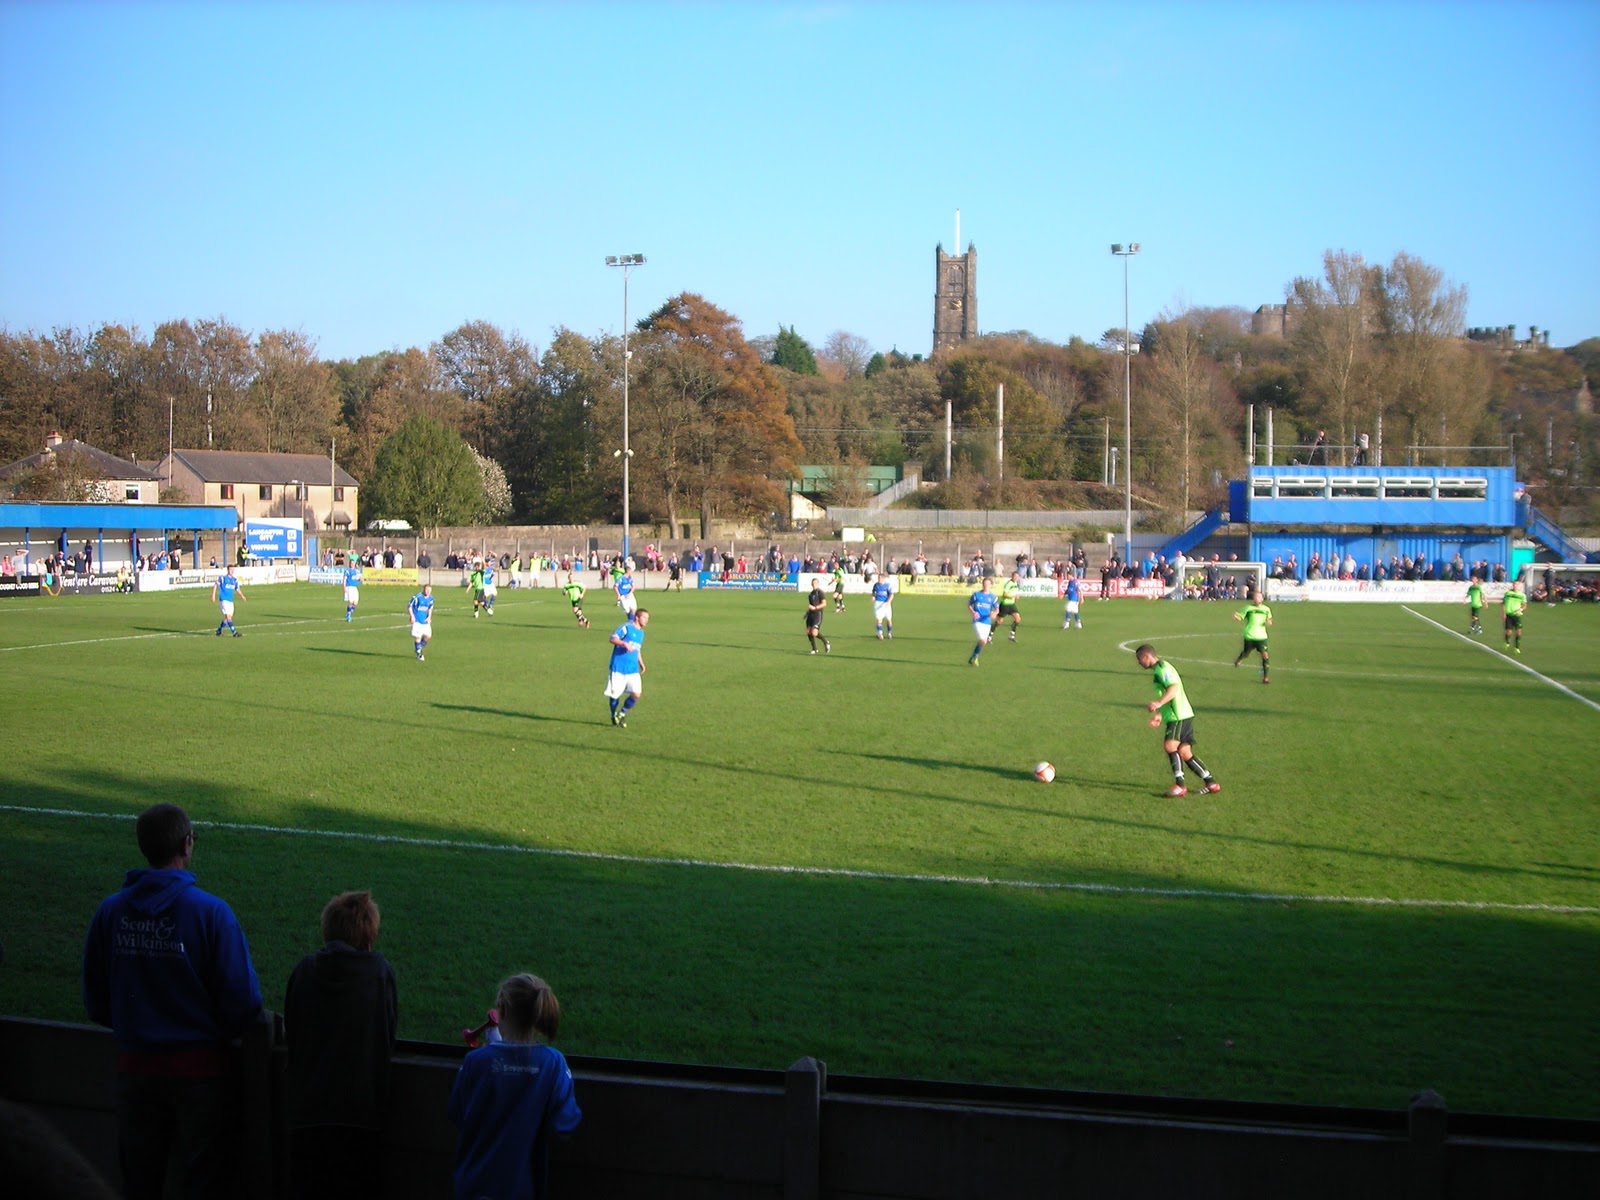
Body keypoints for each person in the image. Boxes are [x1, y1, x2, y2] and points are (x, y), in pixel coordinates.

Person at [82, 803, 264, 1200]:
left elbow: (95, 999)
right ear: (187, 844)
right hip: (201, 1074)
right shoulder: (212, 913)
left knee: (139, 1183)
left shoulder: (110, 912)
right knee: (205, 1184)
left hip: (136, 1069)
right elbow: (243, 1003)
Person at [284, 891, 398, 1200]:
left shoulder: (304, 971)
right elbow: (388, 1035)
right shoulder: (379, 974)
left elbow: (291, 1032)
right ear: (369, 936)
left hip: (309, 1113)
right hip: (363, 1117)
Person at [448, 974, 581, 1200]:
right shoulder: (553, 1063)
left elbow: (457, 1114)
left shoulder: (476, 1062)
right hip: (521, 1188)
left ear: (502, 1011)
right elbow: (565, 1124)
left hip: (474, 1185)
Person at [1133, 645, 1221, 798]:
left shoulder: (1162, 669)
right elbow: (1167, 692)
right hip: (1181, 714)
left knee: (1170, 745)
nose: (1139, 663)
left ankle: (1180, 785)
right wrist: (1160, 714)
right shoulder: (1160, 669)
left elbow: (1173, 689)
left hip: (1178, 715)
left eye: (1139, 659)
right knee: (1185, 752)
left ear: (1146, 656)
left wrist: (1159, 703)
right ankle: (1211, 782)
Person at [605, 608, 649, 726]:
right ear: (637, 617)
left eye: (647, 618)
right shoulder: (626, 628)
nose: (646, 620)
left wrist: (641, 663)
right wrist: (624, 643)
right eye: (644, 618)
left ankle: (622, 714)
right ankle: (613, 715)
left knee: (636, 693)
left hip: (632, 669)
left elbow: (637, 649)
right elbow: (612, 638)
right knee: (614, 695)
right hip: (618, 668)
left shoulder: (641, 633)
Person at [1232, 589, 1273, 683]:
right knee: (1246, 653)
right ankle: (1240, 658)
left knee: (1265, 655)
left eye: (1259, 596)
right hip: (1249, 635)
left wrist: (1269, 622)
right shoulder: (1248, 608)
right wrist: (1236, 617)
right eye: (1255, 597)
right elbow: (1240, 618)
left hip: (1261, 636)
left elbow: (1270, 621)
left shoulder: (1266, 609)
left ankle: (1266, 677)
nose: (1256, 598)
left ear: (1262, 598)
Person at [967, 576, 998, 666]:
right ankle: (975, 656)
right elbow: (969, 604)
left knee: (983, 642)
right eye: (985, 584)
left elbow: (997, 609)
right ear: (982, 584)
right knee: (983, 640)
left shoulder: (993, 597)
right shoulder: (977, 595)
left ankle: (974, 656)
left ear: (991, 585)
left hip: (987, 621)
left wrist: (994, 613)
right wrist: (973, 612)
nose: (986, 585)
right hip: (977, 620)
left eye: (988, 584)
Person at [211, 566, 246, 637]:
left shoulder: (234, 580)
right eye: (230, 569)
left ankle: (219, 630)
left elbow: (237, 589)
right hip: (224, 600)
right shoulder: (223, 578)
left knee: (228, 618)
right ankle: (234, 632)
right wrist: (213, 596)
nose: (232, 571)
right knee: (228, 617)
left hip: (230, 601)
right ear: (227, 570)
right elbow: (215, 585)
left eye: (233, 570)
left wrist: (242, 596)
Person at [805, 577, 831, 655]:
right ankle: (814, 649)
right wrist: (807, 613)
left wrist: (815, 608)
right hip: (811, 615)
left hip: (817, 614)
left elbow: (824, 604)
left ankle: (826, 642)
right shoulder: (811, 594)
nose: (814, 585)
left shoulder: (820, 592)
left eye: (815, 583)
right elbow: (811, 606)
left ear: (818, 584)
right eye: (813, 584)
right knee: (808, 631)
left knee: (814, 633)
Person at [409, 583, 435, 661]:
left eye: (429, 590)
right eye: (426, 589)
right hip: (417, 621)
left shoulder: (431, 598)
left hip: (425, 621)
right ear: (423, 589)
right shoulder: (418, 597)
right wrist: (412, 616)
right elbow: (410, 606)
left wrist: (429, 617)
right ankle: (419, 653)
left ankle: (418, 647)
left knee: (428, 636)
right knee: (418, 637)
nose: (427, 591)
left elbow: (430, 608)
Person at [996, 571, 1023, 642]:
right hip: (1005, 604)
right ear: (1012, 576)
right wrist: (1013, 596)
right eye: (1015, 576)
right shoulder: (1008, 584)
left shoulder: (1016, 583)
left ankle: (1011, 635)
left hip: (1012, 605)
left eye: (1017, 577)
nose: (1016, 578)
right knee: (999, 621)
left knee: (1018, 619)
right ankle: (989, 635)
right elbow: (1004, 594)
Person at [1502, 579, 1526, 654]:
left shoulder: (1522, 595)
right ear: (1513, 585)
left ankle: (1517, 647)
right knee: (1509, 631)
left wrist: (1521, 609)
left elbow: (1524, 605)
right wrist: (1503, 613)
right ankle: (1507, 642)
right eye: (1515, 584)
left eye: (1517, 585)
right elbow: (1503, 604)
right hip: (1509, 614)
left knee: (1519, 631)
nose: (1516, 586)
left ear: (1520, 586)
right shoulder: (1508, 593)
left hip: (1517, 615)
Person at [871, 574, 895, 640]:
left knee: (889, 619)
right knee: (879, 618)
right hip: (878, 603)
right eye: (878, 578)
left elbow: (892, 594)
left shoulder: (888, 585)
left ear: (883, 579)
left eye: (880, 578)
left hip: (886, 603)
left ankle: (889, 632)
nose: (878, 580)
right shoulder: (876, 585)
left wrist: (888, 601)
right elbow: (874, 592)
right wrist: (873, 597)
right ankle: (880, 633)